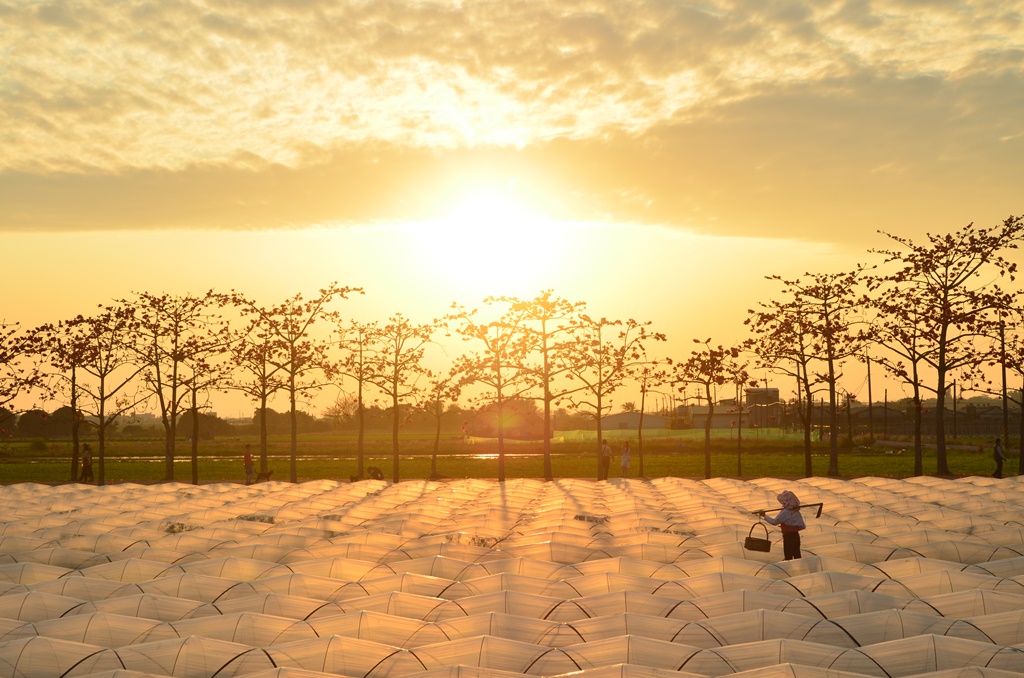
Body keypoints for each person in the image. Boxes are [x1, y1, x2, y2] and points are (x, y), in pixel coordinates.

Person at [759, 489, 806, 560]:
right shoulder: (796, 511)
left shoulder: (786, 512)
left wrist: (764, 516)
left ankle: (791, 570)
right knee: (797, 555)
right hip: (795, 536)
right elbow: (800, 525)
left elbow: (774, 522)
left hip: (788, 536)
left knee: (788, 556)